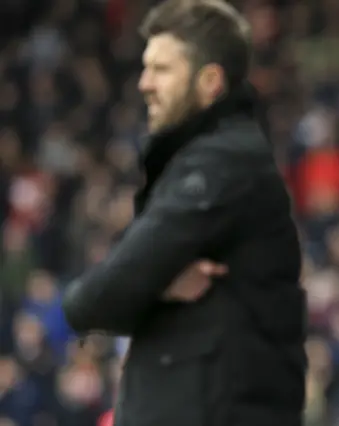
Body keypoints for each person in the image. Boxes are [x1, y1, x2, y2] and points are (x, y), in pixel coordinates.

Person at [61, 1, 307, 426]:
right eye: (145, 67)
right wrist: (155, 285)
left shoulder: (219, 161)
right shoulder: (215, 156)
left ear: (209, 80)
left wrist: (145, 285)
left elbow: (91, 301)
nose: (143, 83)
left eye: (161, 69)